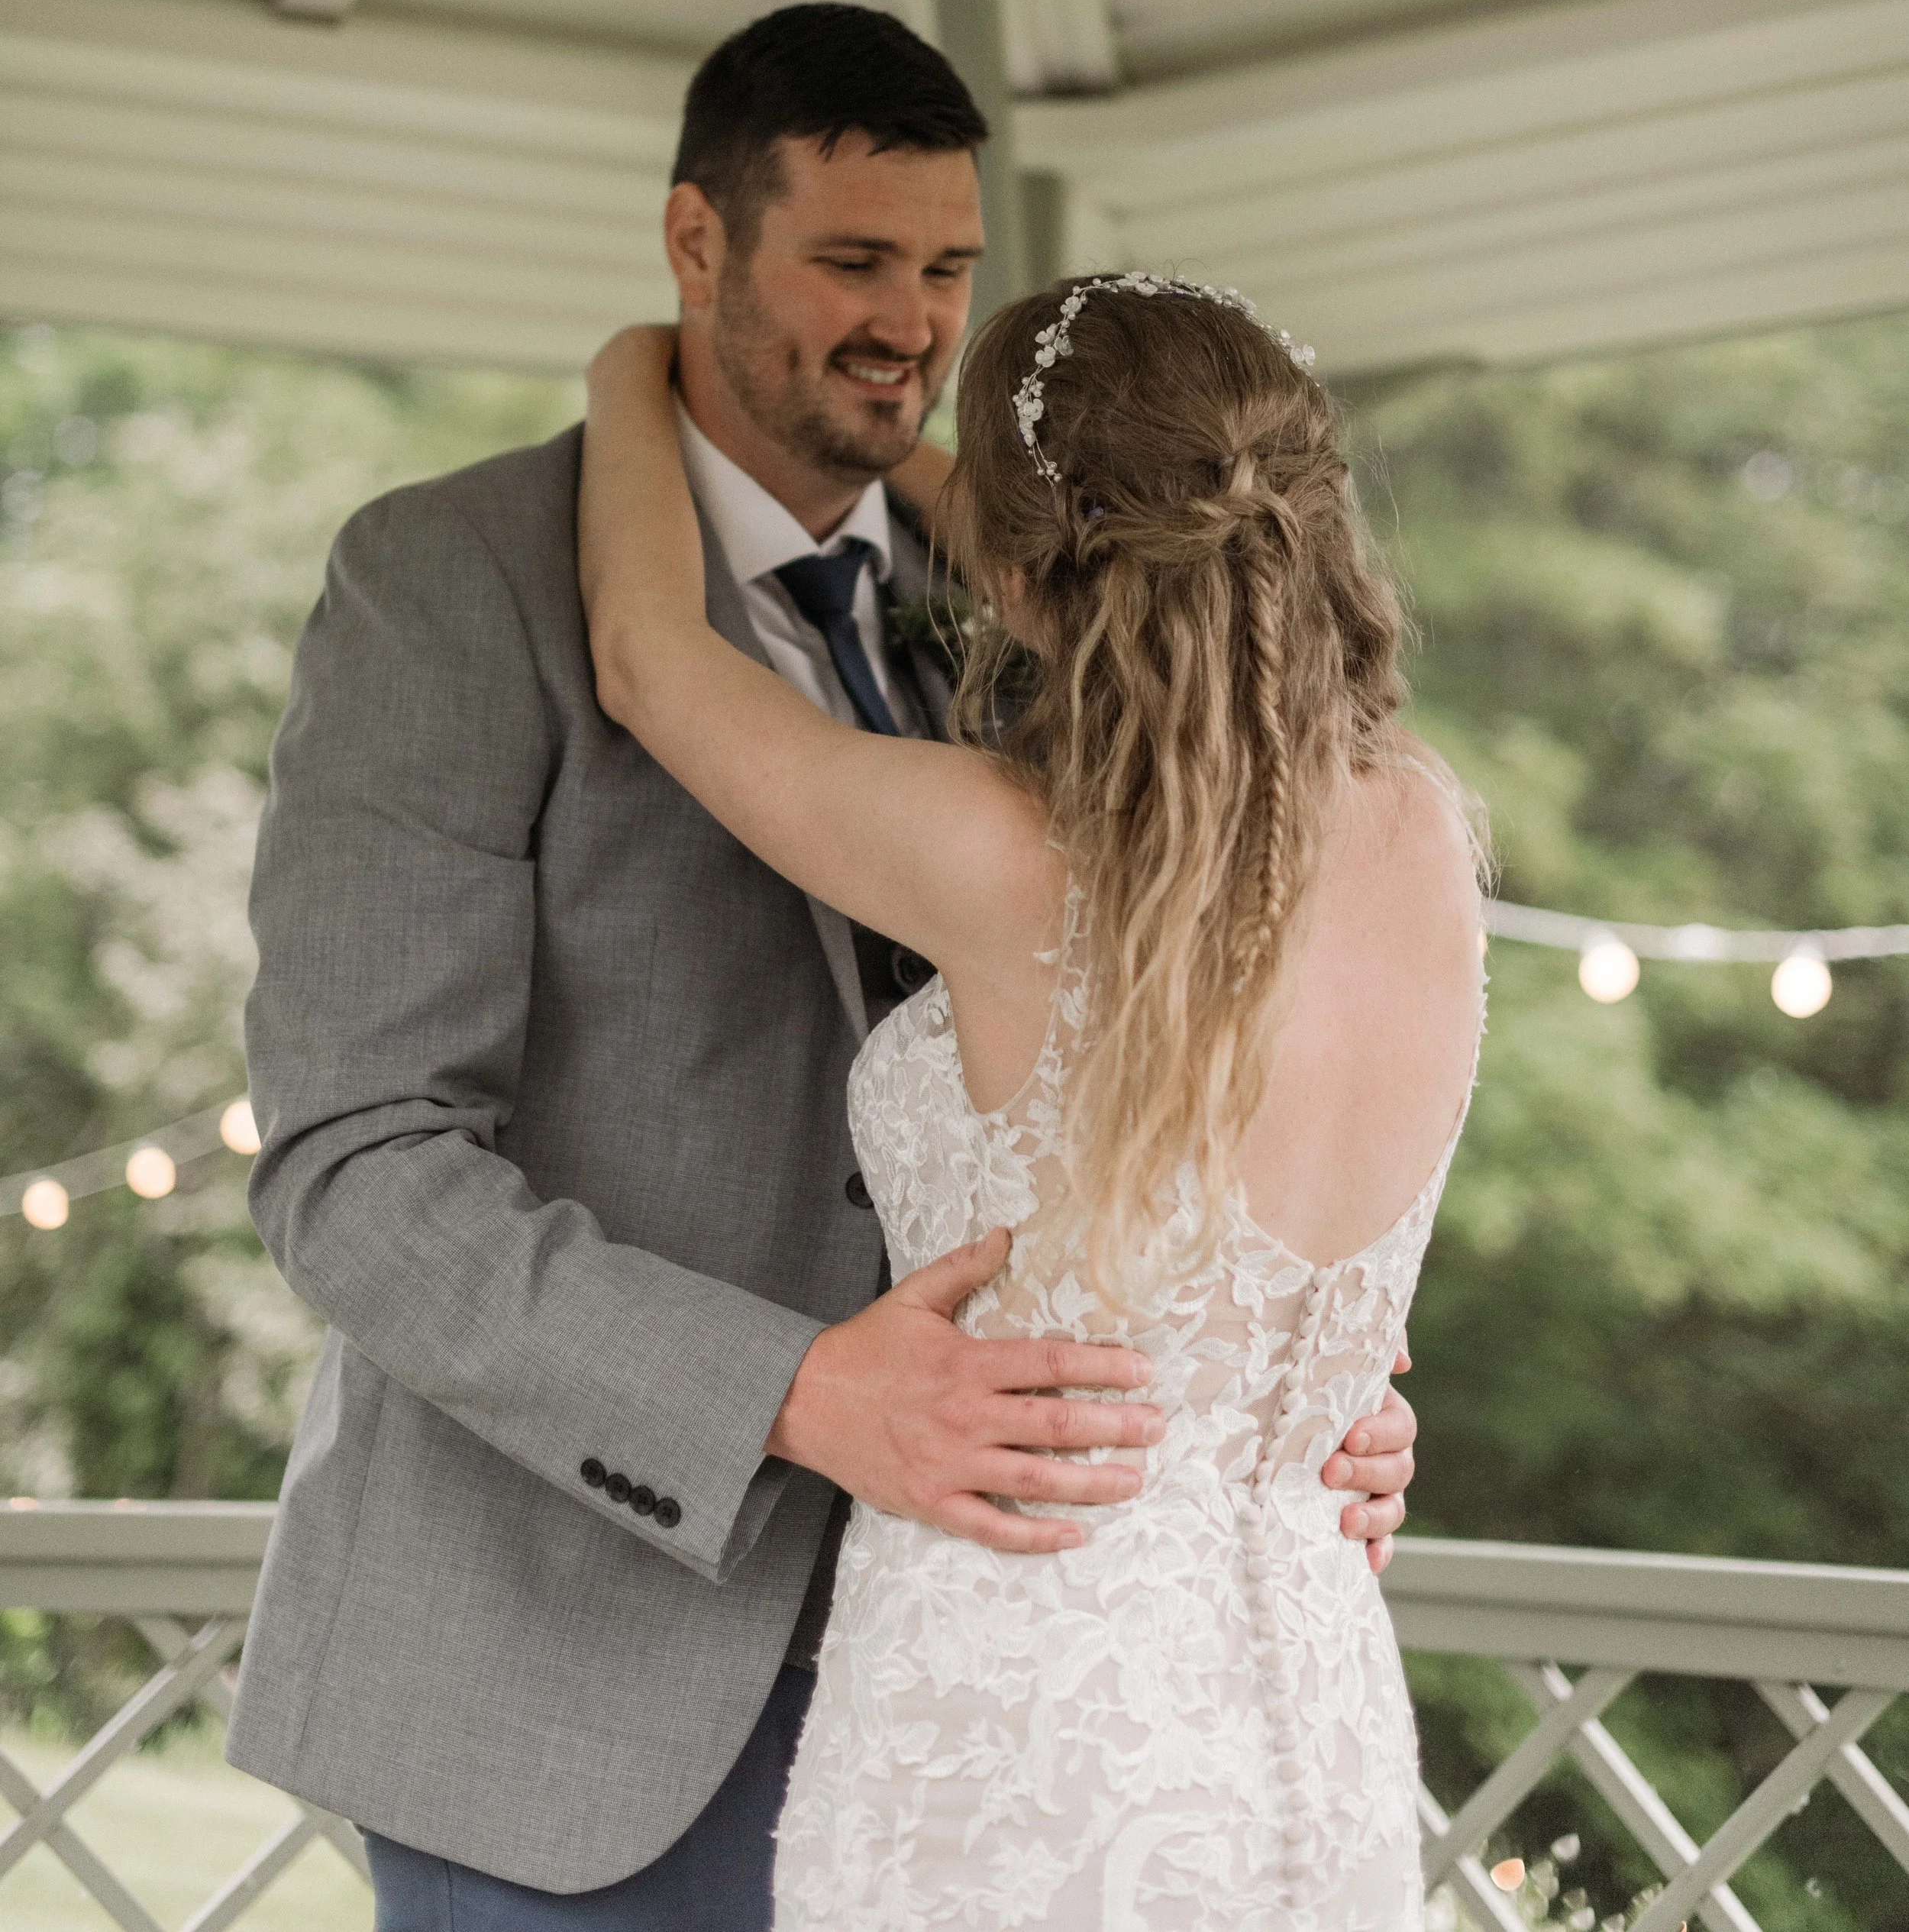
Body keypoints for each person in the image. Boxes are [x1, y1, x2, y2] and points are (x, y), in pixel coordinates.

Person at [225, 4, 1418, 1929]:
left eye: (947, 269)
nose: (910, 322)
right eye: (850, 260)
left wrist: (1288, 1381)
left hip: (996, 1684)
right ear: (696, 241)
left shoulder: (1053, 601)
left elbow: (1186, 1067)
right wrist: (795, 1394)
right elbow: (356, 1170)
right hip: (562, 1688)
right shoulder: (451, 581)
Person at [577, 270, 1483, 1930]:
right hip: (1317, 1721)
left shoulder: (1016, 858)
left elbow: (648, 658)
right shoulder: (1423, 836)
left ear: (1008, 569)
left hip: (1022, 1726)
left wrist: (637, 361)